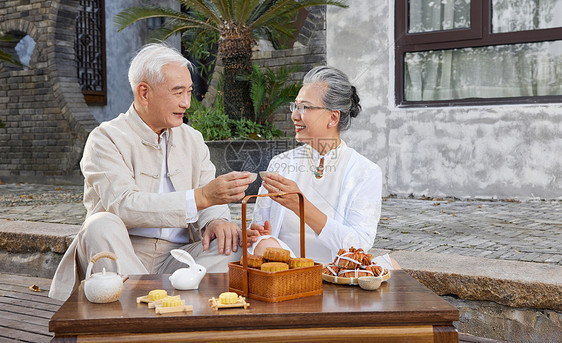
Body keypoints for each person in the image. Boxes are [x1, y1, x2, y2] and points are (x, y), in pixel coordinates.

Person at [49, 43, 252, 301]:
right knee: (100, 225)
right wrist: (201, 198)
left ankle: (153, 302)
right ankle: (156, 307)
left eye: (189, 92)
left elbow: (210, 195)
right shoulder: (105, 138)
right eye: (178, 92)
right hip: (123, 252)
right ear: (144, 93)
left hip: (181, 255)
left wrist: (217, 221)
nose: (186, 103)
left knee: (234, 243)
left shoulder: (193, 139)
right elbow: (123, 205)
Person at [247, 66, 395, 268]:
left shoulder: (365, 172)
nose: (295, 116)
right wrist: (255, 235)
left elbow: (358, 246)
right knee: (266, 245)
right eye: (295, 106)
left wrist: (302, 207)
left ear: (333, 117)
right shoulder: (281, 164)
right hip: (285, 274)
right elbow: (260, 231)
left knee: (392, 267)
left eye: (305, 108)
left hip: (336, 272)